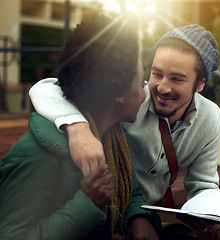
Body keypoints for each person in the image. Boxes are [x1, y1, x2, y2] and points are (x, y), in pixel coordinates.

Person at [29, 24, 220, 239]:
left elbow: (203, 185)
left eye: (177, 79)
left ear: (200, 83)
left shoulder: (211, 118)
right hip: (115, 210)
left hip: (159, 213)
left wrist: (206, 212)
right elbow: (45, 88)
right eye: (157, 74)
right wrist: (78, 128)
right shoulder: (130, 99)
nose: (162, 87)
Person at [0, 13, 160, 240]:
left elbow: (132, 192)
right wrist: (87, 204)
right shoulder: (38, 155)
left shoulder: (115, 139)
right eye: (141, 84)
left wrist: (139, 217)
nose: (145, 94)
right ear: (118, 94)